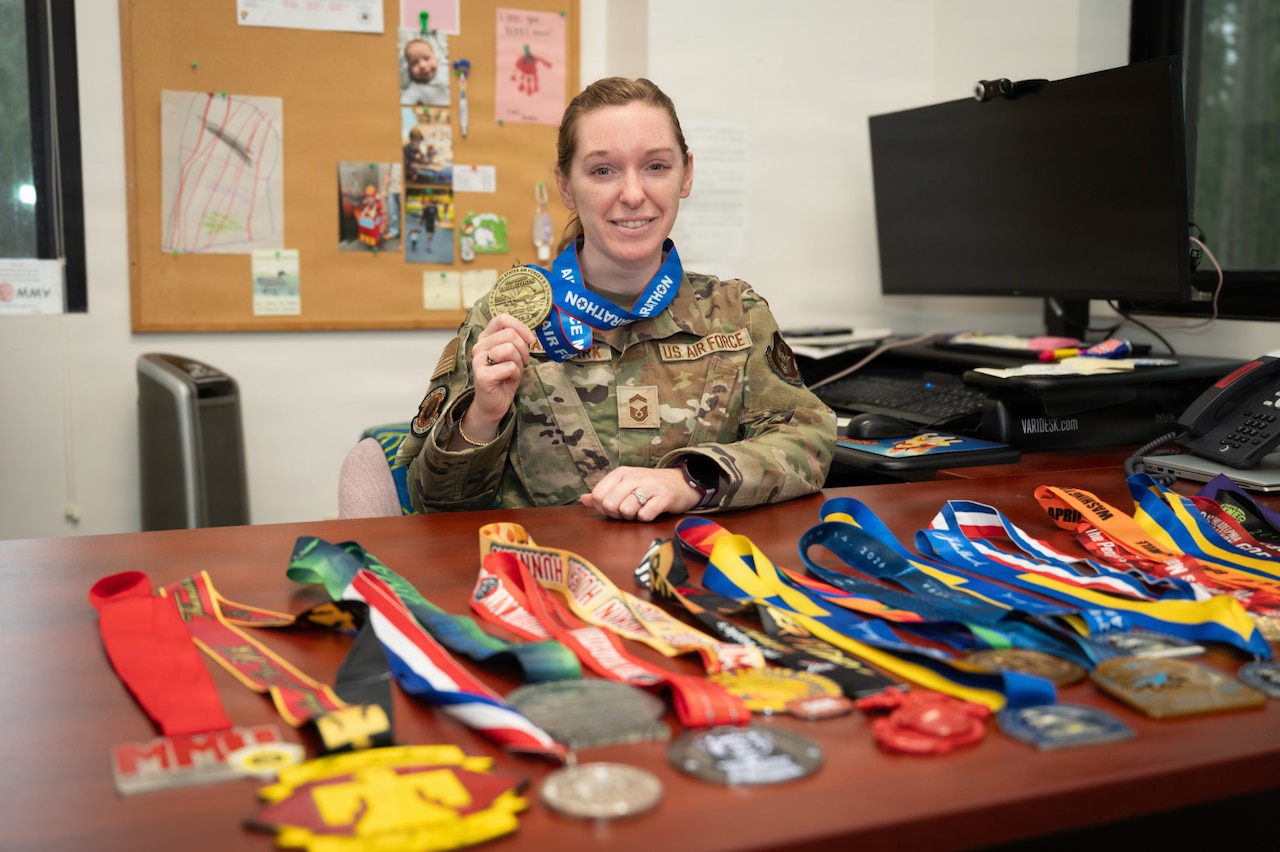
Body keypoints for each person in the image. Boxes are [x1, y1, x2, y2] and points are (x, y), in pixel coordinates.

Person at [397, 77, 835, 520]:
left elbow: (809, 440)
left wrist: (692, 480)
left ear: (686, 174)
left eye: (656, 167)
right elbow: (430, 504)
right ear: (566, 186)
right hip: (554, 576)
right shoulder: (506, 321)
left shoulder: (737, 313)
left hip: (701, 572)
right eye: (603, 170)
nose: (631, 194)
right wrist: (482, 418)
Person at [400, 35, 449, 107]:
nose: (422, 66)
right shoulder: (415, 88)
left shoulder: (444, 69)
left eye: (427, 59)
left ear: (435, 57)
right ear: (409, 68)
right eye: (415, 63)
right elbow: (404, 102)